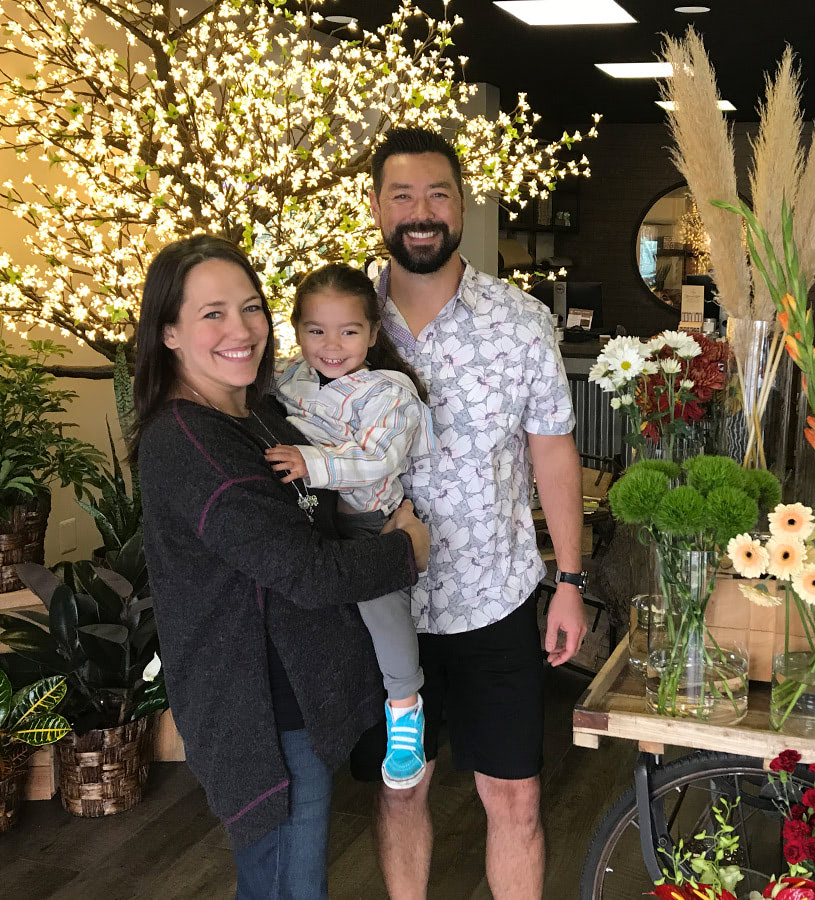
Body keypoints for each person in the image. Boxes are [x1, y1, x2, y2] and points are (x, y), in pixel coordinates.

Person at [133, 235, 430, 900]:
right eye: (212, 314)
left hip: (295, 698)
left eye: (250, 307)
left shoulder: (260, 413)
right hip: (261, 716)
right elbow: (307, 572)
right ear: (170, 332)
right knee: (286, 890)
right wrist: (403, 549)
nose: (241, 331)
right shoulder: (190, 442)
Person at [364, 126, 588, 899]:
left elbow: (553, 454)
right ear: (376, 207)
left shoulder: (519, 321)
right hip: (381, 609)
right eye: (402, 196)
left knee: (516, 796)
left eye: (437, 194)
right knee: (401, 791)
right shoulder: (338, 323)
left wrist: (570, 581)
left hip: (495, 599)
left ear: (462, 206)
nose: (420, 212)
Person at [266, 264, 436, 790]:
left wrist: (309, 461)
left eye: (349, 331)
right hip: (304, 522)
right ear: (295, 331)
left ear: (373, 334)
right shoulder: (287, 380)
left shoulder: (390, 392)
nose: (331, 345)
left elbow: (378, 458)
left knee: (381, 610)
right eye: (316, 330)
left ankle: (406, 709)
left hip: (367, 522)